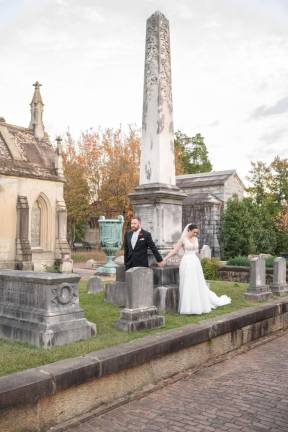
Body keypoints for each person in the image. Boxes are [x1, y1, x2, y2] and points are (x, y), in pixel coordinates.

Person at [162, 223, 231, 315]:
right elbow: (175, 251)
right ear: (189, 230)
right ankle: (188, 307)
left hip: (195, 262)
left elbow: (197, 252)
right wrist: (165, 259)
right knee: (188, 283)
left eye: (197, 233)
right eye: (194, 232)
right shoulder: (183, 239)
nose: (195, 234)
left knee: (197, 283)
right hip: (186, 262)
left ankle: (198, 305)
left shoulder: (196, 239)